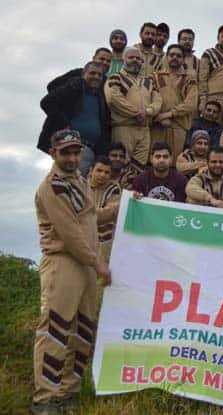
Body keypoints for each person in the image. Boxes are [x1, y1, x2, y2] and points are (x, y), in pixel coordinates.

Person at [32, 130, 111, 414]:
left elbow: (91, 216)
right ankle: (44, 399)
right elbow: (70, 234)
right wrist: (99, 263)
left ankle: (68, 391)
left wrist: (122, 206)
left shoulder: (79, 180)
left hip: (86, 264)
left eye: (76, 152)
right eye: (66, 152)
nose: (72, 157)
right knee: (55, 330)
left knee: (83, 329)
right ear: (53, 153)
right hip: (63, 262)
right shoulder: (51, 186)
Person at [38, 61, 111, 176]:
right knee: (70, 183)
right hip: (73, 145)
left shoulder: (101, 95)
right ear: (83, 74)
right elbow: (46, 102)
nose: (96, 77)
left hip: (93, 149)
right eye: (92, 73)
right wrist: (63, 123)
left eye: (99, 75)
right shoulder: (74, 87)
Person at [104, 47, 163, 165]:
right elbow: (113, 98)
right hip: (124, 127)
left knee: (139, 167)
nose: (135, 60)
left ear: (142, 61)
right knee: (120, 164)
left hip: (144, 129)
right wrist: (136, 112)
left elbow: (158, 100)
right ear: (124, 60)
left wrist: (147, 111)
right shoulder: (116, 77)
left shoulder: (149, 81)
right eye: (131, 57)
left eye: (138, 58)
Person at [151, 44, 198, 158]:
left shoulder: (189, 79)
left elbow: (191, 104)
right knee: (154, 161)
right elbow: (148, 98)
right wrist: (158, 117)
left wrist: (169, 114)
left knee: (174, 163)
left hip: (178, 127)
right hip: (157, 125)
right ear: (166, 57)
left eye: (178, 55)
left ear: (183, 59)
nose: (175, 57)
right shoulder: (155, 76)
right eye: (172, 55)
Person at [88, 156, 121, 262]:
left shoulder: (114, 188)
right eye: (99, 170)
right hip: (83, 241)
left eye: (107, 172)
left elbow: (109, 213)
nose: (102, 175)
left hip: (105, 244)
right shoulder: (81, 187)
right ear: (91, 170)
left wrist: (85, 214)